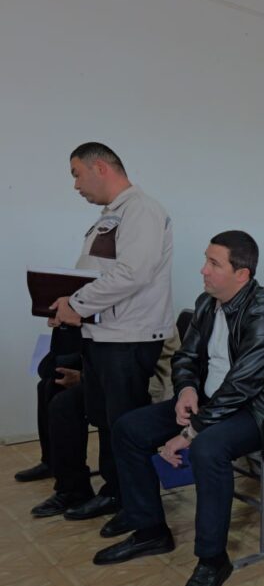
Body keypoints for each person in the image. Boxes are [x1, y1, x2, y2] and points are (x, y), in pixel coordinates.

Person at [92, 231, 264, 586]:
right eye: (206, 260)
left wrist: (190, 431)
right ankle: (150, 529)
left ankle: (212, 559)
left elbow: (243, 385)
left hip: (259, 411)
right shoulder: (208, 302)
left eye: (213, 263)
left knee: (207, 449)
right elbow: (185, 357)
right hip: (210, 401)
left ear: (242, 274)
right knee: (128, 429)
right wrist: (187, 390)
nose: (203, 270)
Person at [49, 142, 174, 524]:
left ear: (100, 167)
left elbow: (133, 273)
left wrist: (77, 303)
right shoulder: (112, 215)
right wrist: (68, 303)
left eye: (77, 174)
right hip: (103, 334)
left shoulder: (142, 210)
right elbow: (97, 274)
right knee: (107, 421)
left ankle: (136, 508)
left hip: (129, 338)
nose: (75, 185)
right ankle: (115, 493)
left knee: (124, 425)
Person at [30, 332, 179, 520]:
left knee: (103, 406)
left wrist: (83, 377)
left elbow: (133, 365)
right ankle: (70, 486)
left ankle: (114, 493)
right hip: (107, 374)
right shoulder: (93, 323)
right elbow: (50, 365)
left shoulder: (140, 322)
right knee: (58, 395)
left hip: (145, 382)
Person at [13, 325, 83, 483]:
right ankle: (50, 461)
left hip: (93, 337)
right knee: (45, 385)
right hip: (71, 333)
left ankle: (68, 476)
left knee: (58, 392)